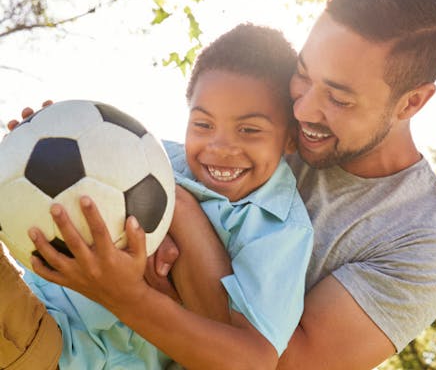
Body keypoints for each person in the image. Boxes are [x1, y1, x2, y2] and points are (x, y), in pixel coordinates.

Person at [2, 0, 436, 369]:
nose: (302, 110)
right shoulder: (258, 122)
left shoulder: (425, 240)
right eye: (303, 74)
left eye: (338, 97)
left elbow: (279, 365)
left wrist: (172, 227)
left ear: (412, 101)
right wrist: (47, 149)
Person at [0, 24, 313, 369]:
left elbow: (251, 361)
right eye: (203, 124)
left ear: (290, 139)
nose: (220, 148)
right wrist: (32, 153)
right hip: (37, 307)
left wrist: (133, 288)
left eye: (249, 130)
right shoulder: (146, 156)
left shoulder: (280, 229)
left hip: (57, 353)